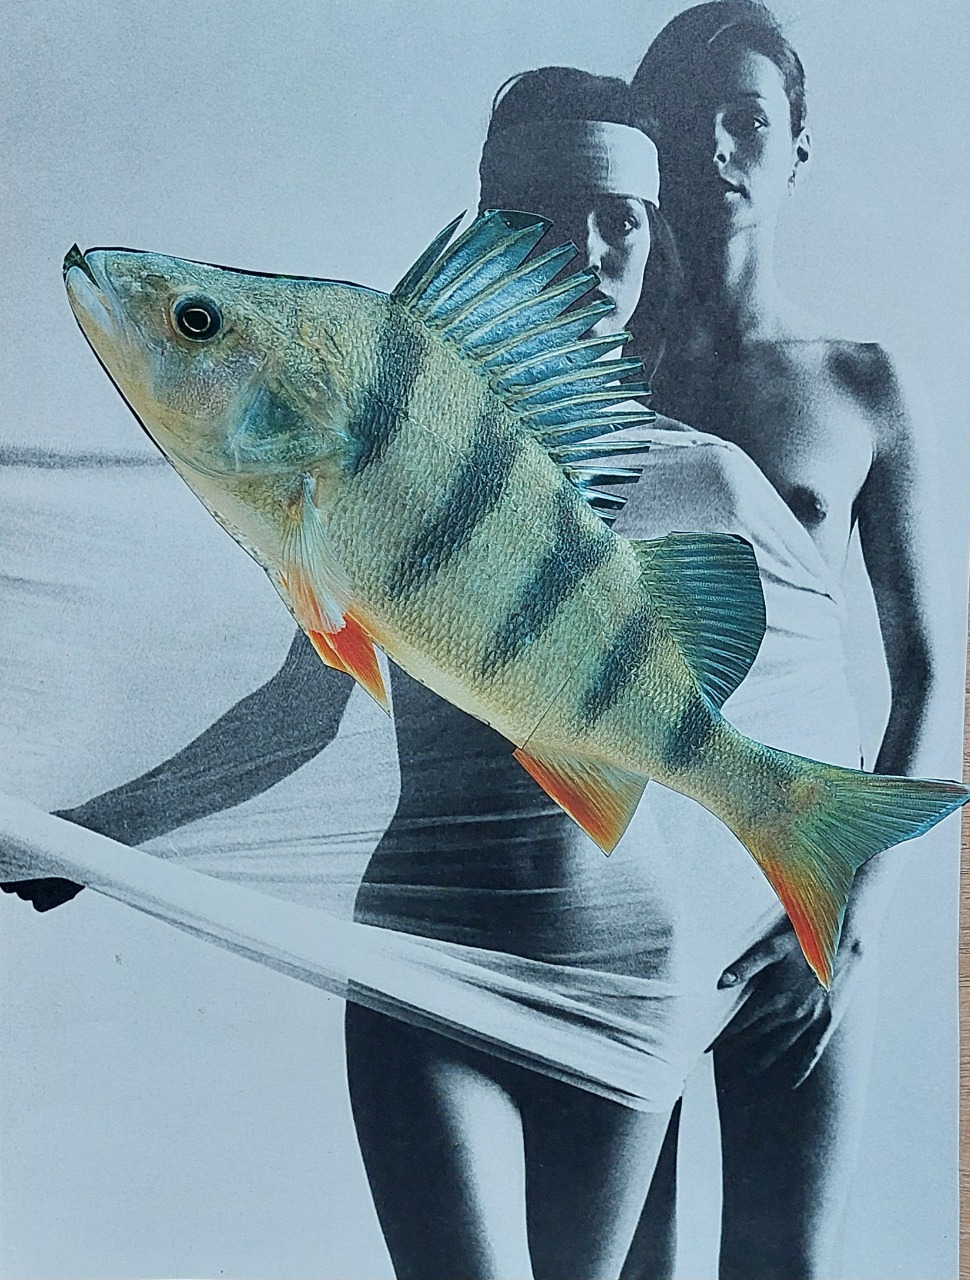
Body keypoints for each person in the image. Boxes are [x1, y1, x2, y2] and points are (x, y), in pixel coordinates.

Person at [2, 67, 874, 1279]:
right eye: (550, 209)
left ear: (654, 235)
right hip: (424, 956)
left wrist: (816, 909)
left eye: (621, 217)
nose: (589, 245)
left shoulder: (716, 481)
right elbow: (298, 712)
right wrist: (88, 839)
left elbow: (808, 708)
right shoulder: (381, 434)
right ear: (494, 214)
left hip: (624, 969)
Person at [624, 4, 952, 1275]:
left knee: (784, 1267)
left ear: (794, 150)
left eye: (746, 120)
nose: (715, 145)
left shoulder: (858, 384)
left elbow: (928, 672)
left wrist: (853, 905)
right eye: (683, 118)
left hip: (797, 879)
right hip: (622, 873)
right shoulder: (594, 381)